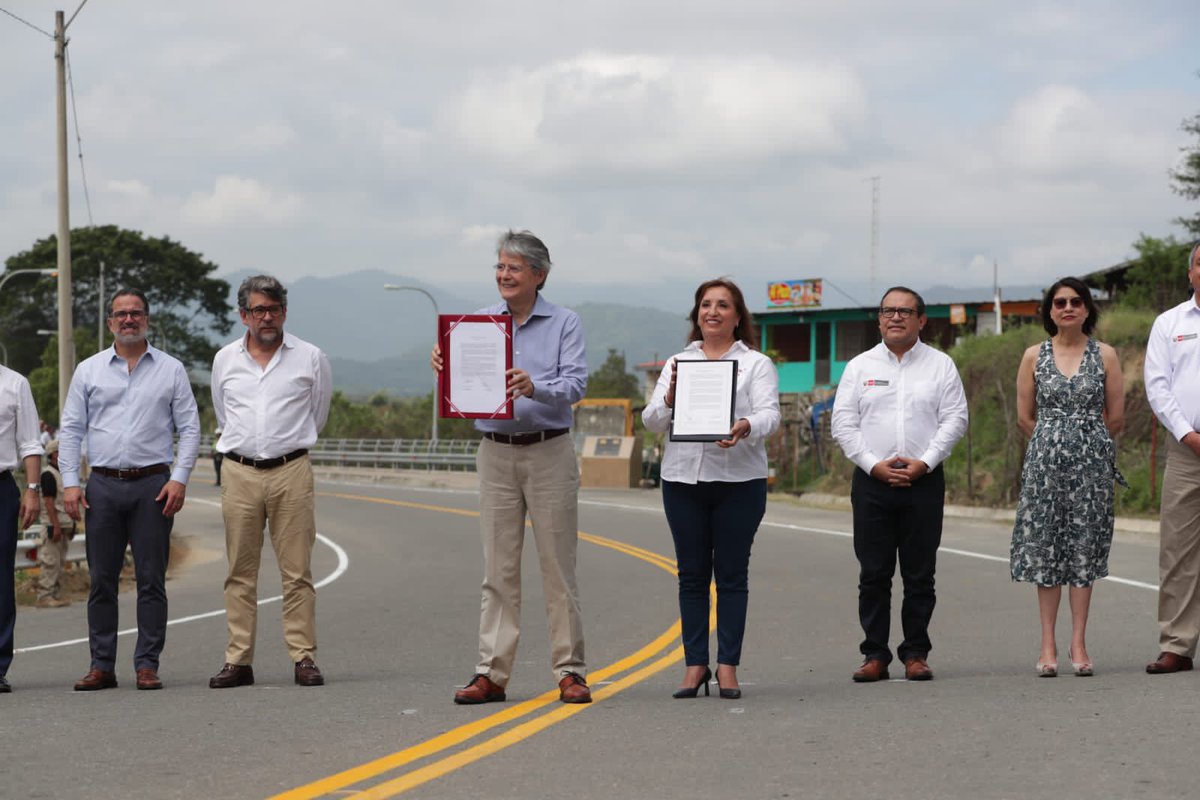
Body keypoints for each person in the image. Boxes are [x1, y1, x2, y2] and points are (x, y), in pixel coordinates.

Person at [431, 230, 592, 705]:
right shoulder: (476, 323)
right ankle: (491, 674)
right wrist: (445, 364)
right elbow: (463, 384)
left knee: (558, 568)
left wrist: (535, 386)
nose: (503, 275)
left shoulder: (565, 322)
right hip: (495, 451)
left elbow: (577, 384)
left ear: (538, 275)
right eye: (500, 267)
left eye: (514, 268)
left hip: (549, 450)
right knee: (498, 570)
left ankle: (570, 671)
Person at [642, 278, 780, 699]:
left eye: (723, 305)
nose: (713, 312)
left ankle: (728, 666)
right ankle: (695, 665)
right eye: (706, 305)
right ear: (696, 314)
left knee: (732, 576)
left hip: (739, 482)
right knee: (692, 575)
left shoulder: (756, 364)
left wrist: (746, 426)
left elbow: (770, 416)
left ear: (738, 317)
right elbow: (651, 421)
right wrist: (669, 399)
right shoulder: (678, 364)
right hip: (683, 480)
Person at [59, 288, 201, 691]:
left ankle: (147, 664)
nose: (128, 320)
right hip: (102, 485)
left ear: (147, 320)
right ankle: (101, 664)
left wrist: (180, 477)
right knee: (102, 579)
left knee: (151, 579)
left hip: (153, 487)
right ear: (109, 322)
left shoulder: (171, 369)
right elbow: (71, 429)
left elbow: (189, 428)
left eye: (135, 313)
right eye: (120, 314)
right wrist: (71, 483)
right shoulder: (88, 370)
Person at [831, 286, 968, 682]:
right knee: (873, 574)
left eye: (905, 312)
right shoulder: (860, 367)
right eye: (888, 311)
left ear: (921, 320)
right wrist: (873, 465)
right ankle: (875, 654)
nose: (896, 317)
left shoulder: (941, 365)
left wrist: (925, 462)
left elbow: (955, 419)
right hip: (872, 483)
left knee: (919, 574)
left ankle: (915, 653)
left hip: (923, 482)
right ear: (878, 319)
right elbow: (843, 423)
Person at [209, 275, 332, 689]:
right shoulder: (225, 359)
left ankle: (303, 656)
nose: (267, 316)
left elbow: (318, 414)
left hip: (291, 470)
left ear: (284, 311)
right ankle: (238, 660)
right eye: (258, 309)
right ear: (243, 314)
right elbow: (223, 415)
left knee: (297, 571)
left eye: (274, 309)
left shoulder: (311, 357)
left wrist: (286, 447)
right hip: (240, 471)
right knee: (240, 572)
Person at [1011, 278, 1124, 677]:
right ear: (1049, 310)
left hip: (1091, 469)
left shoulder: (1106, 355)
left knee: (1083, 549)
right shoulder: (1032, 356)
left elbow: (1117, 417)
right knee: (1046, 551)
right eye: (1059, 302)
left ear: (1088, 309)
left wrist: (1085, 444)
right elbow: (1025, 417)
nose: (1068, 307)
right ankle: (1047, 643)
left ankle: (1079, 641)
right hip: (1044, 468)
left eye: (1076, 301)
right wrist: (1054, 442)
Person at [1144, 242, 1200, 675]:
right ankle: (1178, 646)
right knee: (1178, 550)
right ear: (1190, 272)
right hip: (1187, 450)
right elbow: (1158, 385)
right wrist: (1188, 434)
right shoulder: (1170, 323)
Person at [0, 364, 43, 693]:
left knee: (1, 579)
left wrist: (32, 489)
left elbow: (30, 442)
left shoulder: (15, 383)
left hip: (2, 488)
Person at [36, 439, 76, 608]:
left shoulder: (62, 474)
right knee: (51, 561)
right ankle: (44, 595)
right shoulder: (48, 475)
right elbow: (49, 502)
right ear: (54, 454)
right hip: (53, 525)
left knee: (59, 562)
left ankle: (54, 594)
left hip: (63, 525)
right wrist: (56, 525)